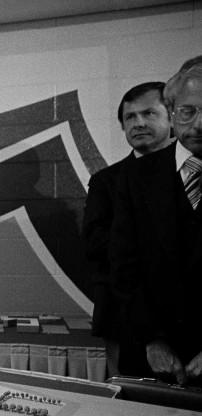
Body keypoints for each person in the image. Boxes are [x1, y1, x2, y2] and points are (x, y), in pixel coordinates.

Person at [111, 57, 202, 385]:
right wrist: (152, 338)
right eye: (188, 111)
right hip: (152, 355)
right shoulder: (135, 176)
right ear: (174, 112)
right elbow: (123, 266)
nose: (198, 124)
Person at [82, 82, 173, 376]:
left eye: (149, 113)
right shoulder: (106, 181)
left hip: (187, 316)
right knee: (129, 400)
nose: (139, 123)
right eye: (130, 117)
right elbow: (96, 244)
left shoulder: (193, 173)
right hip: (122, 315)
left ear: (171, 116)